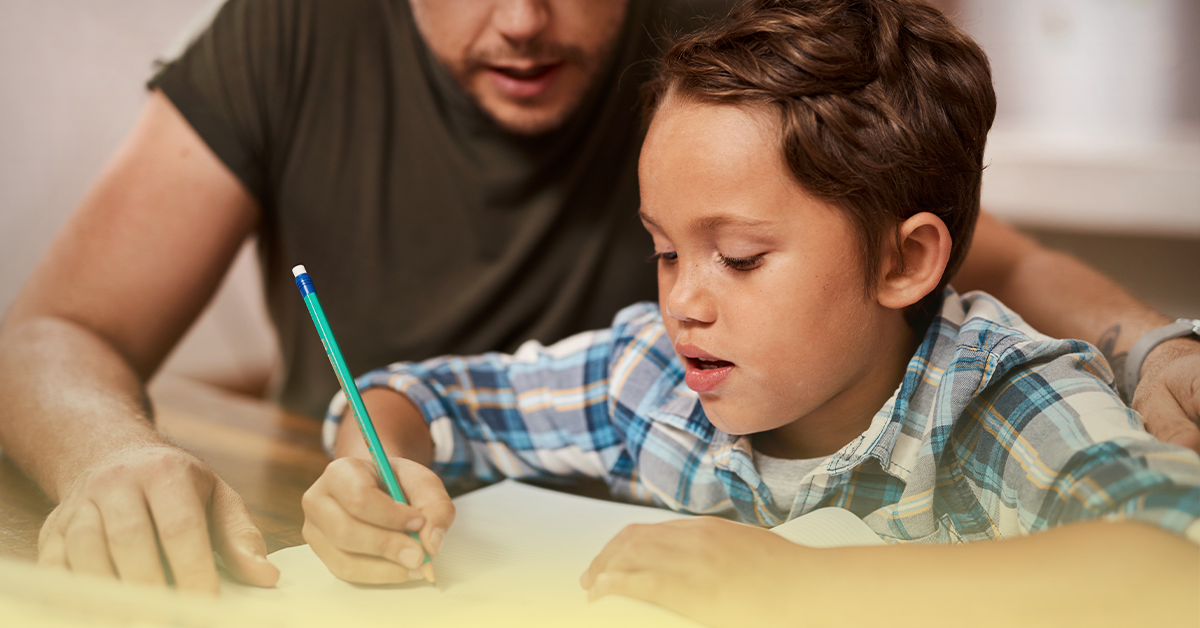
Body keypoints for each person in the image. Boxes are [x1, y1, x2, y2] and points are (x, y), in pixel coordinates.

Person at [0, 0, 1196, 597]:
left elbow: (1169, 549)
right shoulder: (646, 378)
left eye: (735, 256)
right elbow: (424, 393)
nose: (683, 304)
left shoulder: (992, 394)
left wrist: (1140, 345)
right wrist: (382, 452)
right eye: (663, 252)